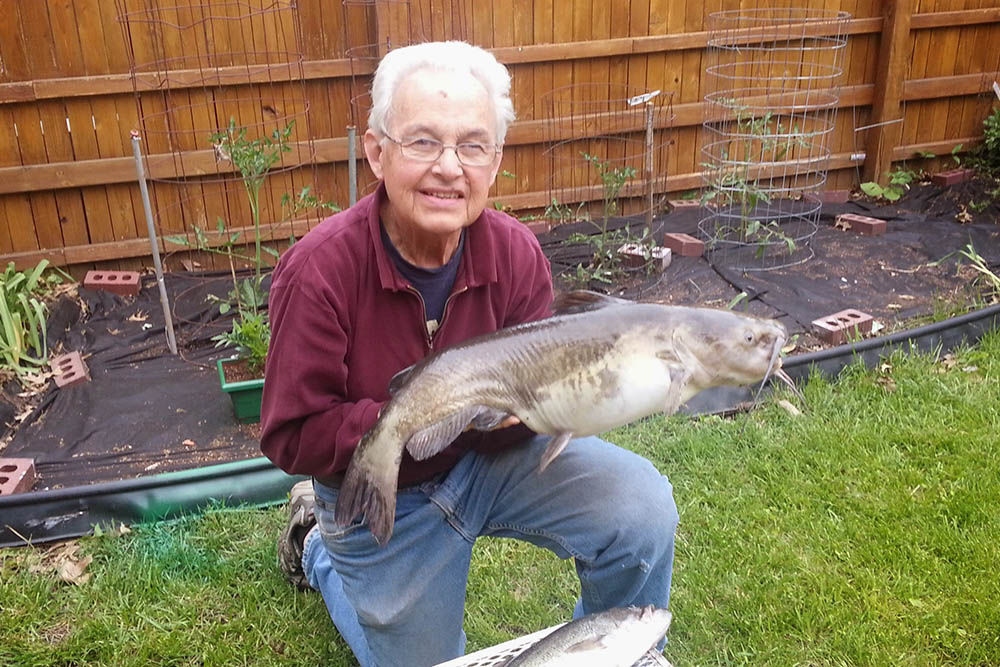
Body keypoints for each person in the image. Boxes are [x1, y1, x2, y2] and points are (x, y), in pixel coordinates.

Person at [260, 40, 678, 667]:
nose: (449, 168)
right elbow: (292, 435)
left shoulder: (513, 254)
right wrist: (422, 415)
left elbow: (534, 408)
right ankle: (322, 549)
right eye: (423, 141)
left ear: (495, 160)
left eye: (472, 146)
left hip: (490, 469)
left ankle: (618, 651)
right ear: (377, 152)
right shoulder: (319, 272)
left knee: (639, 505)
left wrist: (527, 413)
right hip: (383, 487)